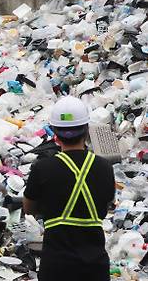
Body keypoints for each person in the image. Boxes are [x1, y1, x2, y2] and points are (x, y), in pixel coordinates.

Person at [23, 96, 115, 281]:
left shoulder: (42, 168)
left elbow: (29, 208)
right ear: (86, 130)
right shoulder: (105, 167)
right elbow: (105, 209)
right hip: (95, 267)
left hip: (56, 267)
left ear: (55, 133)